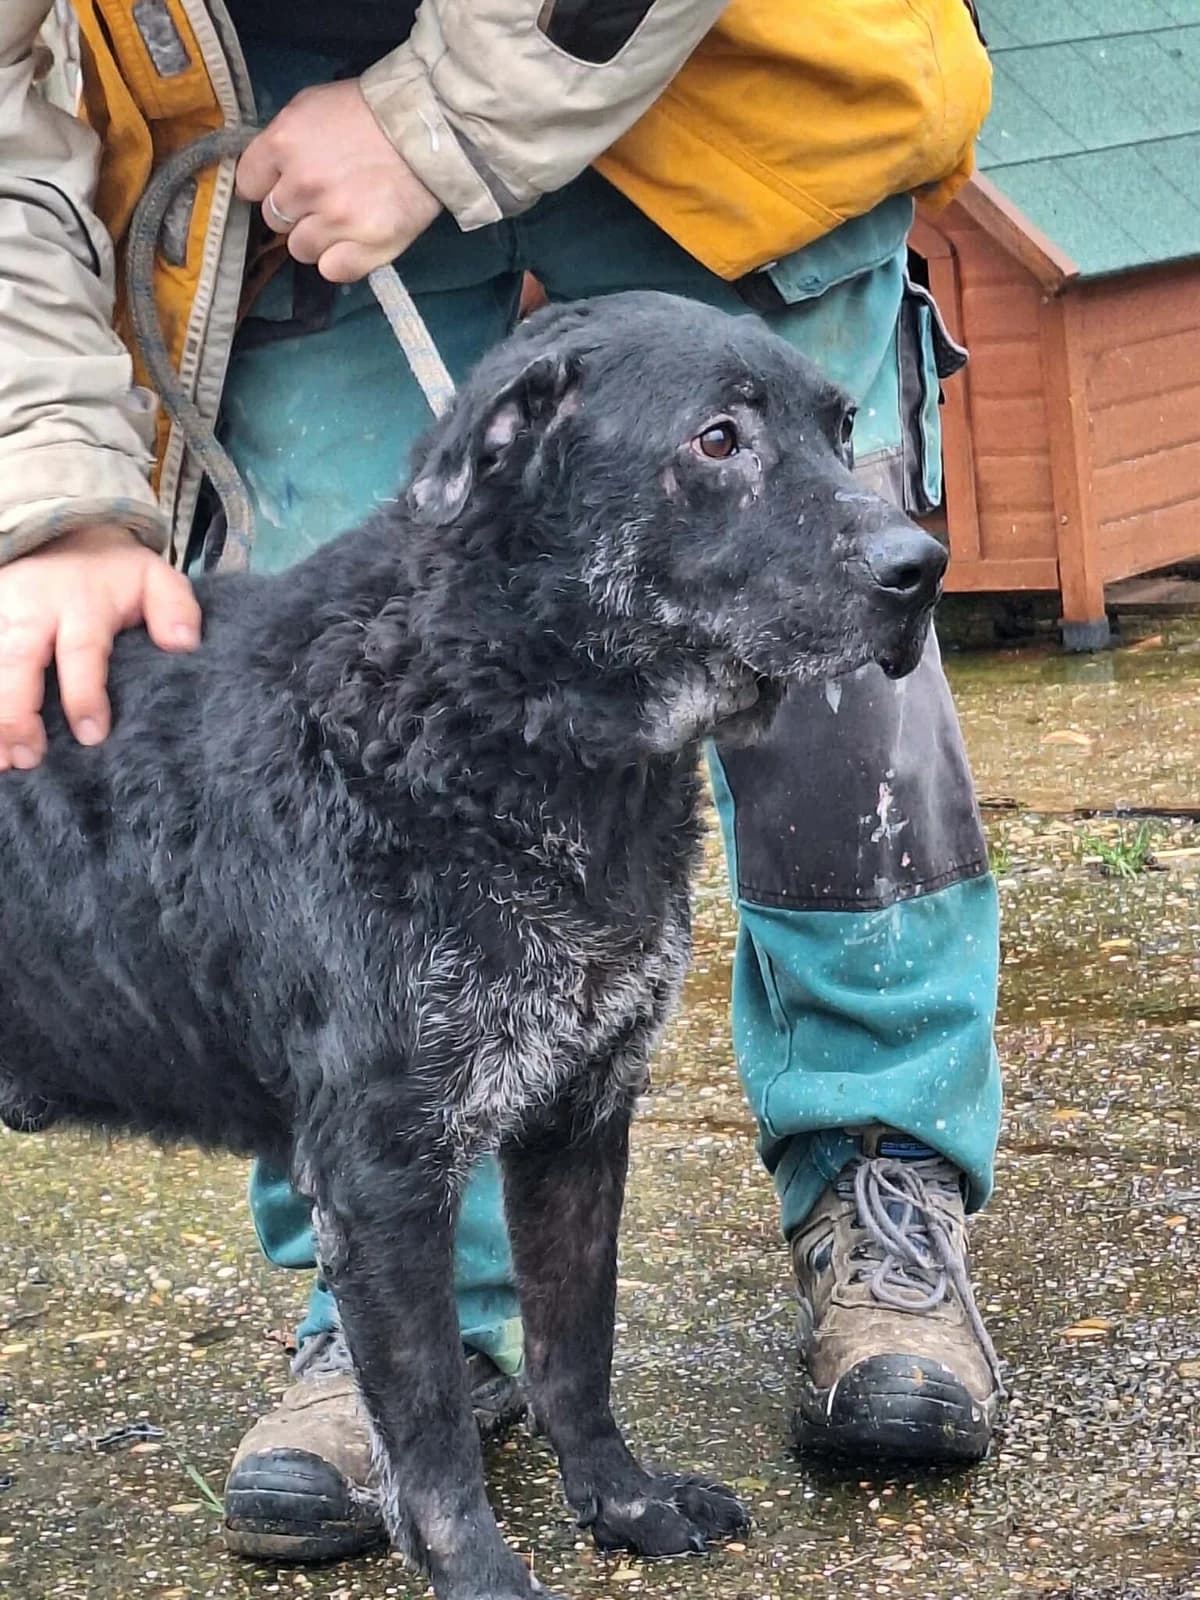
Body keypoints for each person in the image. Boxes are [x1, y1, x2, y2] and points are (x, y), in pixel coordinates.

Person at [0, 0, 1003, 1565]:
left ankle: (887, 1179)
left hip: (732, 88)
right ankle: (390, 1318)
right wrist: (55, 485)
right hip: (283, 142)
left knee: (829, 691)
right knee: (329, 699)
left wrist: (435, 122)